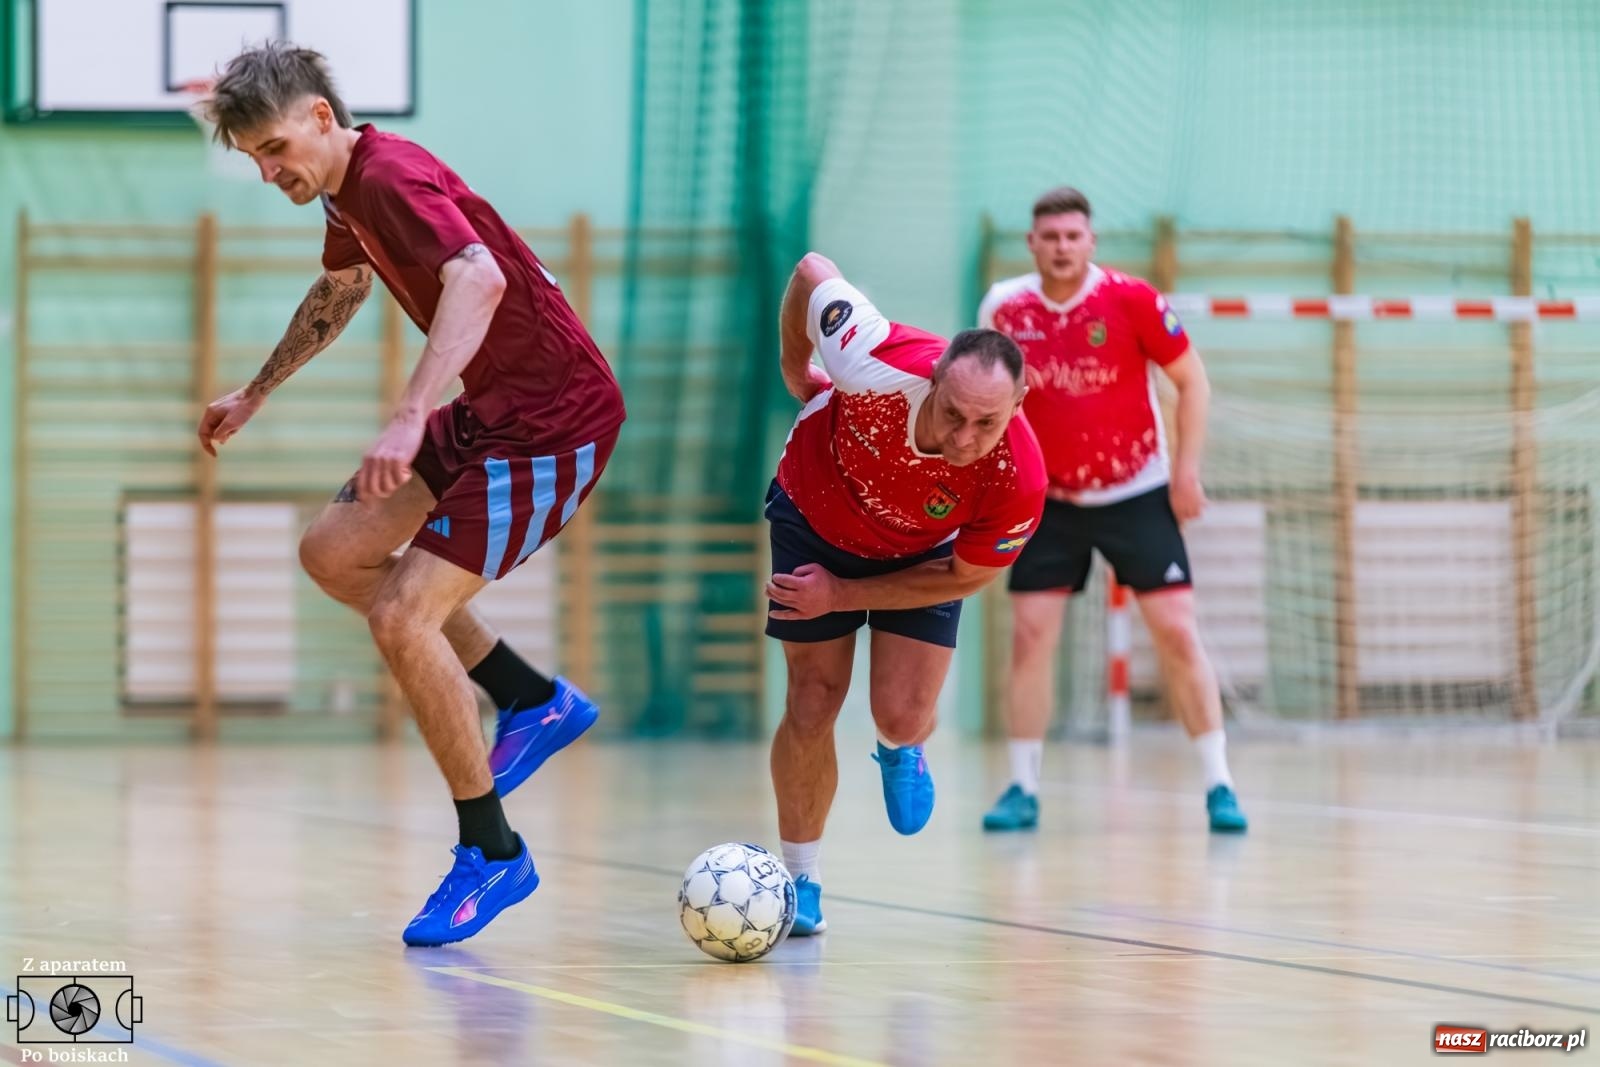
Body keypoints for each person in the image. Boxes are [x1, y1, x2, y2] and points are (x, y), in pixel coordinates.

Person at [194, 43, 626, 945]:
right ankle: (532, 697)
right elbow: (344, 285)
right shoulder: (351, 194)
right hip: (493, 410)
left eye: (274, 148)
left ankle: (493, 851)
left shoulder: (388, 176)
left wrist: (408, 413)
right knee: (333, 551)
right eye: (254, 160)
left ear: (320, 116)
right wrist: (257, 390)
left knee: (401, 617)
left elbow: (480, 276)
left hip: (554, 421)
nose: (270, 171)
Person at [765, 253, 1047, 934]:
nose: (965, 438)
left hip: (923, 558)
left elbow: (965, 576)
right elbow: (809, 272)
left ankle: (901, 744)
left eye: (988, 423)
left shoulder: (1019, 482)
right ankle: (804, 879)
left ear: (1018, 404)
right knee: (811, 701)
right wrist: (794, 367)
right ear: (934, 377)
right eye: (953, 415)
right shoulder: (871, 355)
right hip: (813, 513)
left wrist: (843, 594)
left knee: (900, 711)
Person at [977, 186, 1248, 834]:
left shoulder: (1132, 300)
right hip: (1050, 500)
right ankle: (1022, 785)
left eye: (1074, 236)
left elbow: (1192, 381)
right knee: (1029, 637)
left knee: (1179, 632)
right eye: (1050, 236)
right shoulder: (1005, 308)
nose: (1062, 247)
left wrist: (1185, 471)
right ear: (1032, 243)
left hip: (1137, 490)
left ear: (1090, 242)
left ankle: (1219, 783)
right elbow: (983, 397)